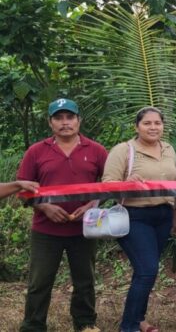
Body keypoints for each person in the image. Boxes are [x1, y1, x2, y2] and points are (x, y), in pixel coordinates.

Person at [17, 99, 107, 332]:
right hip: (46, 229)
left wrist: (91, 205)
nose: (65, 123)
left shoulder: (96, 150)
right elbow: (23, 191)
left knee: (85, 280)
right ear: (50, 122)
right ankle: (33, 326)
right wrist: (44, 206)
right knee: (40, 281)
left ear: (79, 120)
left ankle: (85, 323)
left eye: (70, 117)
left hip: (84, 228)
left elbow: (109, 186)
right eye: (58, 118)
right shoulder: (36, 151)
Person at [103, 107, 176, 332]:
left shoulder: (169, 149)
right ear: (137, 127)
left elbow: (175, 183)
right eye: (147, 123)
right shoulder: (123, 150)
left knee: (147, 271)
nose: (153, 127)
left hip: (163, 215)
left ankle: (140, 319)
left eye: (157, 123)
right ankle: (129, 326)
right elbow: (107, 184)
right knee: (147, 269)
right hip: (135, 216)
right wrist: (126, 183)